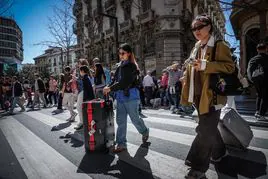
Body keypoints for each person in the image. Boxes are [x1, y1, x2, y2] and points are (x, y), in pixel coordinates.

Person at [180, 14, 235, 179]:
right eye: (194, 28)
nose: (196, 30)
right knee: (208, 128)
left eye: (200, 26)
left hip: (212, 95)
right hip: (198, 94)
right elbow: (190, 64)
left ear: (209, 26)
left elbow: (229, 67)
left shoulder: (220, 46)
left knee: (204, 130)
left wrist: (205, 65)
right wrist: (186, 73)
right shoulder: (196, 46)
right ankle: (220, 153)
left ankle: (197, 168)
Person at [103, 43, 149, 153]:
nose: (121, 55)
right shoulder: (119, 66)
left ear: (128, 53)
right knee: (121, 121)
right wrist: (108, 86)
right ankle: (121, 143)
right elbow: (115, 80)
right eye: (119, 53)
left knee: (135, 119)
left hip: (131, 97)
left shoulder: (132, 66)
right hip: (120, 98)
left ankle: (145, 131)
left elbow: (124, 82)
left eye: (123, 53)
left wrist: (110, 88)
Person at [247, 43, 268, 121]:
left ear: (257, 50)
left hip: (256, 80)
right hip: (265, 79)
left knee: (259, 95)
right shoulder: (266, 58)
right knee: (265, 97)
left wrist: (251, 80)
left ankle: (257, 112)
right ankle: (262, 114)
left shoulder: (253, 59)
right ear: (266, 49)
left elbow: (249, 70)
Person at [75, 58, 90, 130]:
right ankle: (84, 122)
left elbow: (83, 82)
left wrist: (76, 78)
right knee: (81, 107)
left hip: (83, 91)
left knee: (79, 107)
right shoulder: (82, 71)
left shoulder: (83, 71)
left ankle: (82, 122)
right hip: (81, 91)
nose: (78, 64)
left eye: (79, 63)